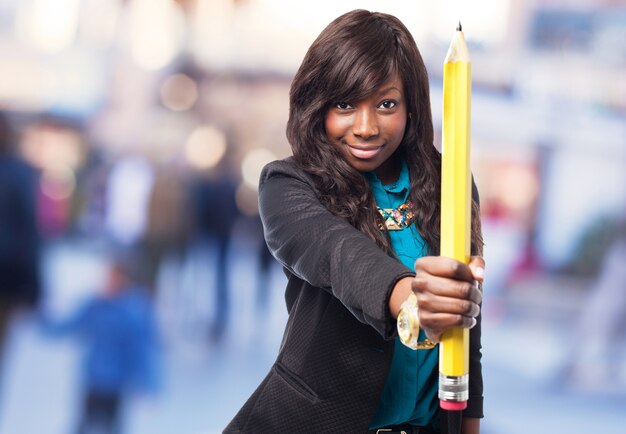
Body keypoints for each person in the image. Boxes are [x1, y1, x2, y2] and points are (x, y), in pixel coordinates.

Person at [225, 10, 485, 434]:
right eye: (345, 105)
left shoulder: (451, 183)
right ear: (319, 105)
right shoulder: (288, 183)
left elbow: (468, 333)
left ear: (411, 106)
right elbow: (341, 255)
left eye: (386, 104)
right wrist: (415, 298)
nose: (365, 128)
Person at [40, 249, 161, 434]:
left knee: (112, 426)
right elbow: (70, 324)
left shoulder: (133, 313)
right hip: (93, 379)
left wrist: (148, 383)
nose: (108, 282)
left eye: (114, 277)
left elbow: (141, 352)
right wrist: (45, 322)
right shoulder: (95, 305)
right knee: (82, 423)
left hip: (115, 385)